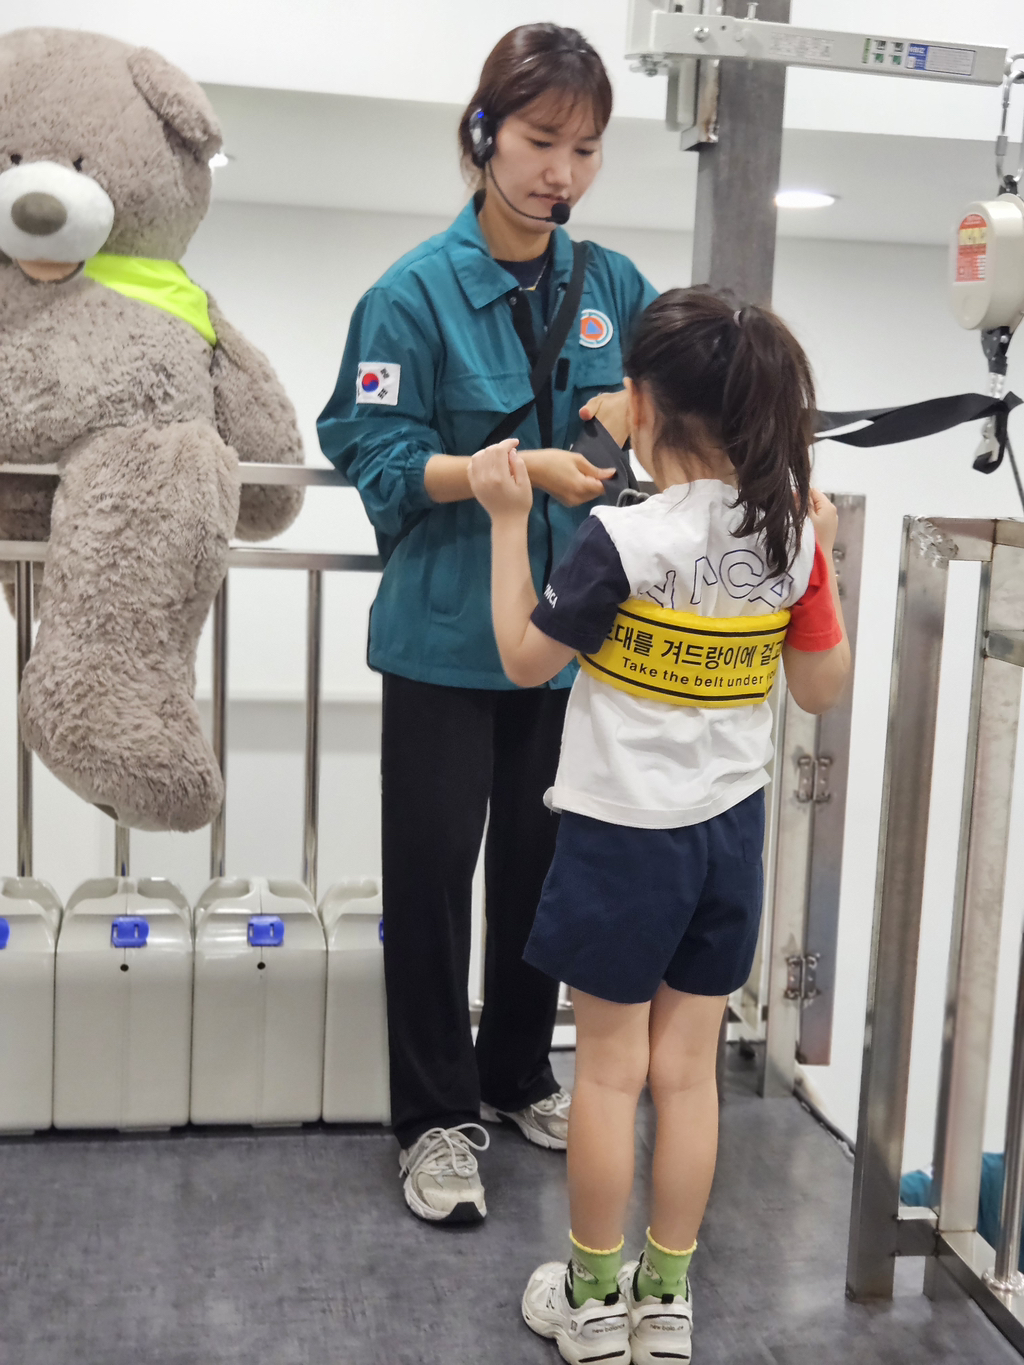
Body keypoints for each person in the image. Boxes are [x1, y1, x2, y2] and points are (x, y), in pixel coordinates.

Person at [468, 286, 851, 1363]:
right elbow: (820, 688)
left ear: (639, 405)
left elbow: (525, 659)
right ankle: (665, 1302)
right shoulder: (790, 537)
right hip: (728, 836)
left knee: (607, 1073)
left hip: (620, 838)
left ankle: (592, 1302)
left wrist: (508, 522)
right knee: (687, 1074)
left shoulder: (622, 538)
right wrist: (821, 556)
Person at [317, 22, 659, 1226]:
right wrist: (502, 473)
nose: (562, 172)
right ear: (482, 134)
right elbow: (372, 454)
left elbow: (674, 403)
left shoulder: (611, 288)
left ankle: (516, 1075)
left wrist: (629, 422)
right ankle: (432, 1119)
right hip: (445, 643)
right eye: (539, 141)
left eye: (585, 149)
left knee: (540, 876)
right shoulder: (410, 294)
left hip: (564, 648)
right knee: (429, 886)